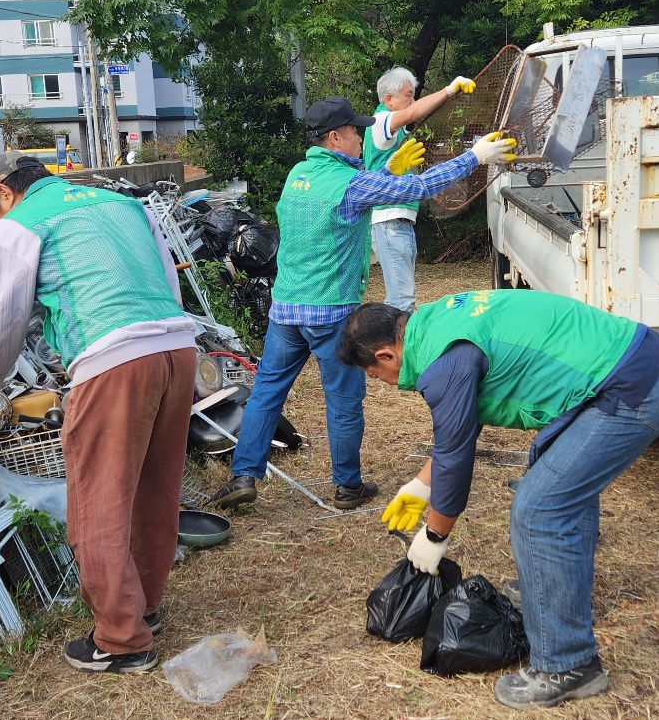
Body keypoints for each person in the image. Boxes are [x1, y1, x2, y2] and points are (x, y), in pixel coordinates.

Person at [336, 290, 659, 709]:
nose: (382, 384)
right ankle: (557, 597)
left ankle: (566, 665)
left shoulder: (443, 364)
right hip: (638, 361)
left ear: (386, 355)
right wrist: (419, 487)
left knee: (539, 509)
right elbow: (458, 433)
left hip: (633, 385)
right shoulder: (436, 324)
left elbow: (455, 453)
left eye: (375, 376)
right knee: (556, 483)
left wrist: (434, 536)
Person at [205, 96, 515, 511]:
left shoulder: (299, 173)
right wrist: (474, 157)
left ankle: (244, 475)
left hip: (285, 310)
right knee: (344, 399)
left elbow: (349, 197)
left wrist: (386, 170)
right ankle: (348, 486)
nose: (361, 137)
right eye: (355, 131)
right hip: (331, 312)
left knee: (265, 393)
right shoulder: (350, 183)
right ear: (335, 137)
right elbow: (419, 189)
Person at [0, 153, 198, 675]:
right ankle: (143, 609)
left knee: (99, 501)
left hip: (111, 358)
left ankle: (120, 639)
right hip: (177, 347)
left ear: (2, 193)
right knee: (155, 488)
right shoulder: (124, 205)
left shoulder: (14, 228)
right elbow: (169, 285)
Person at [363, 68, 474, 312]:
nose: (412, 102)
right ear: (389, 99)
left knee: (401, 299)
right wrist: (448, 90)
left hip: (398, 220)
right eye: (408, 95)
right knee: (402, 302)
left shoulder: (393, 128)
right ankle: (397, 348)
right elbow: (413, 112)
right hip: (389, 220)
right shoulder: (381, 121)